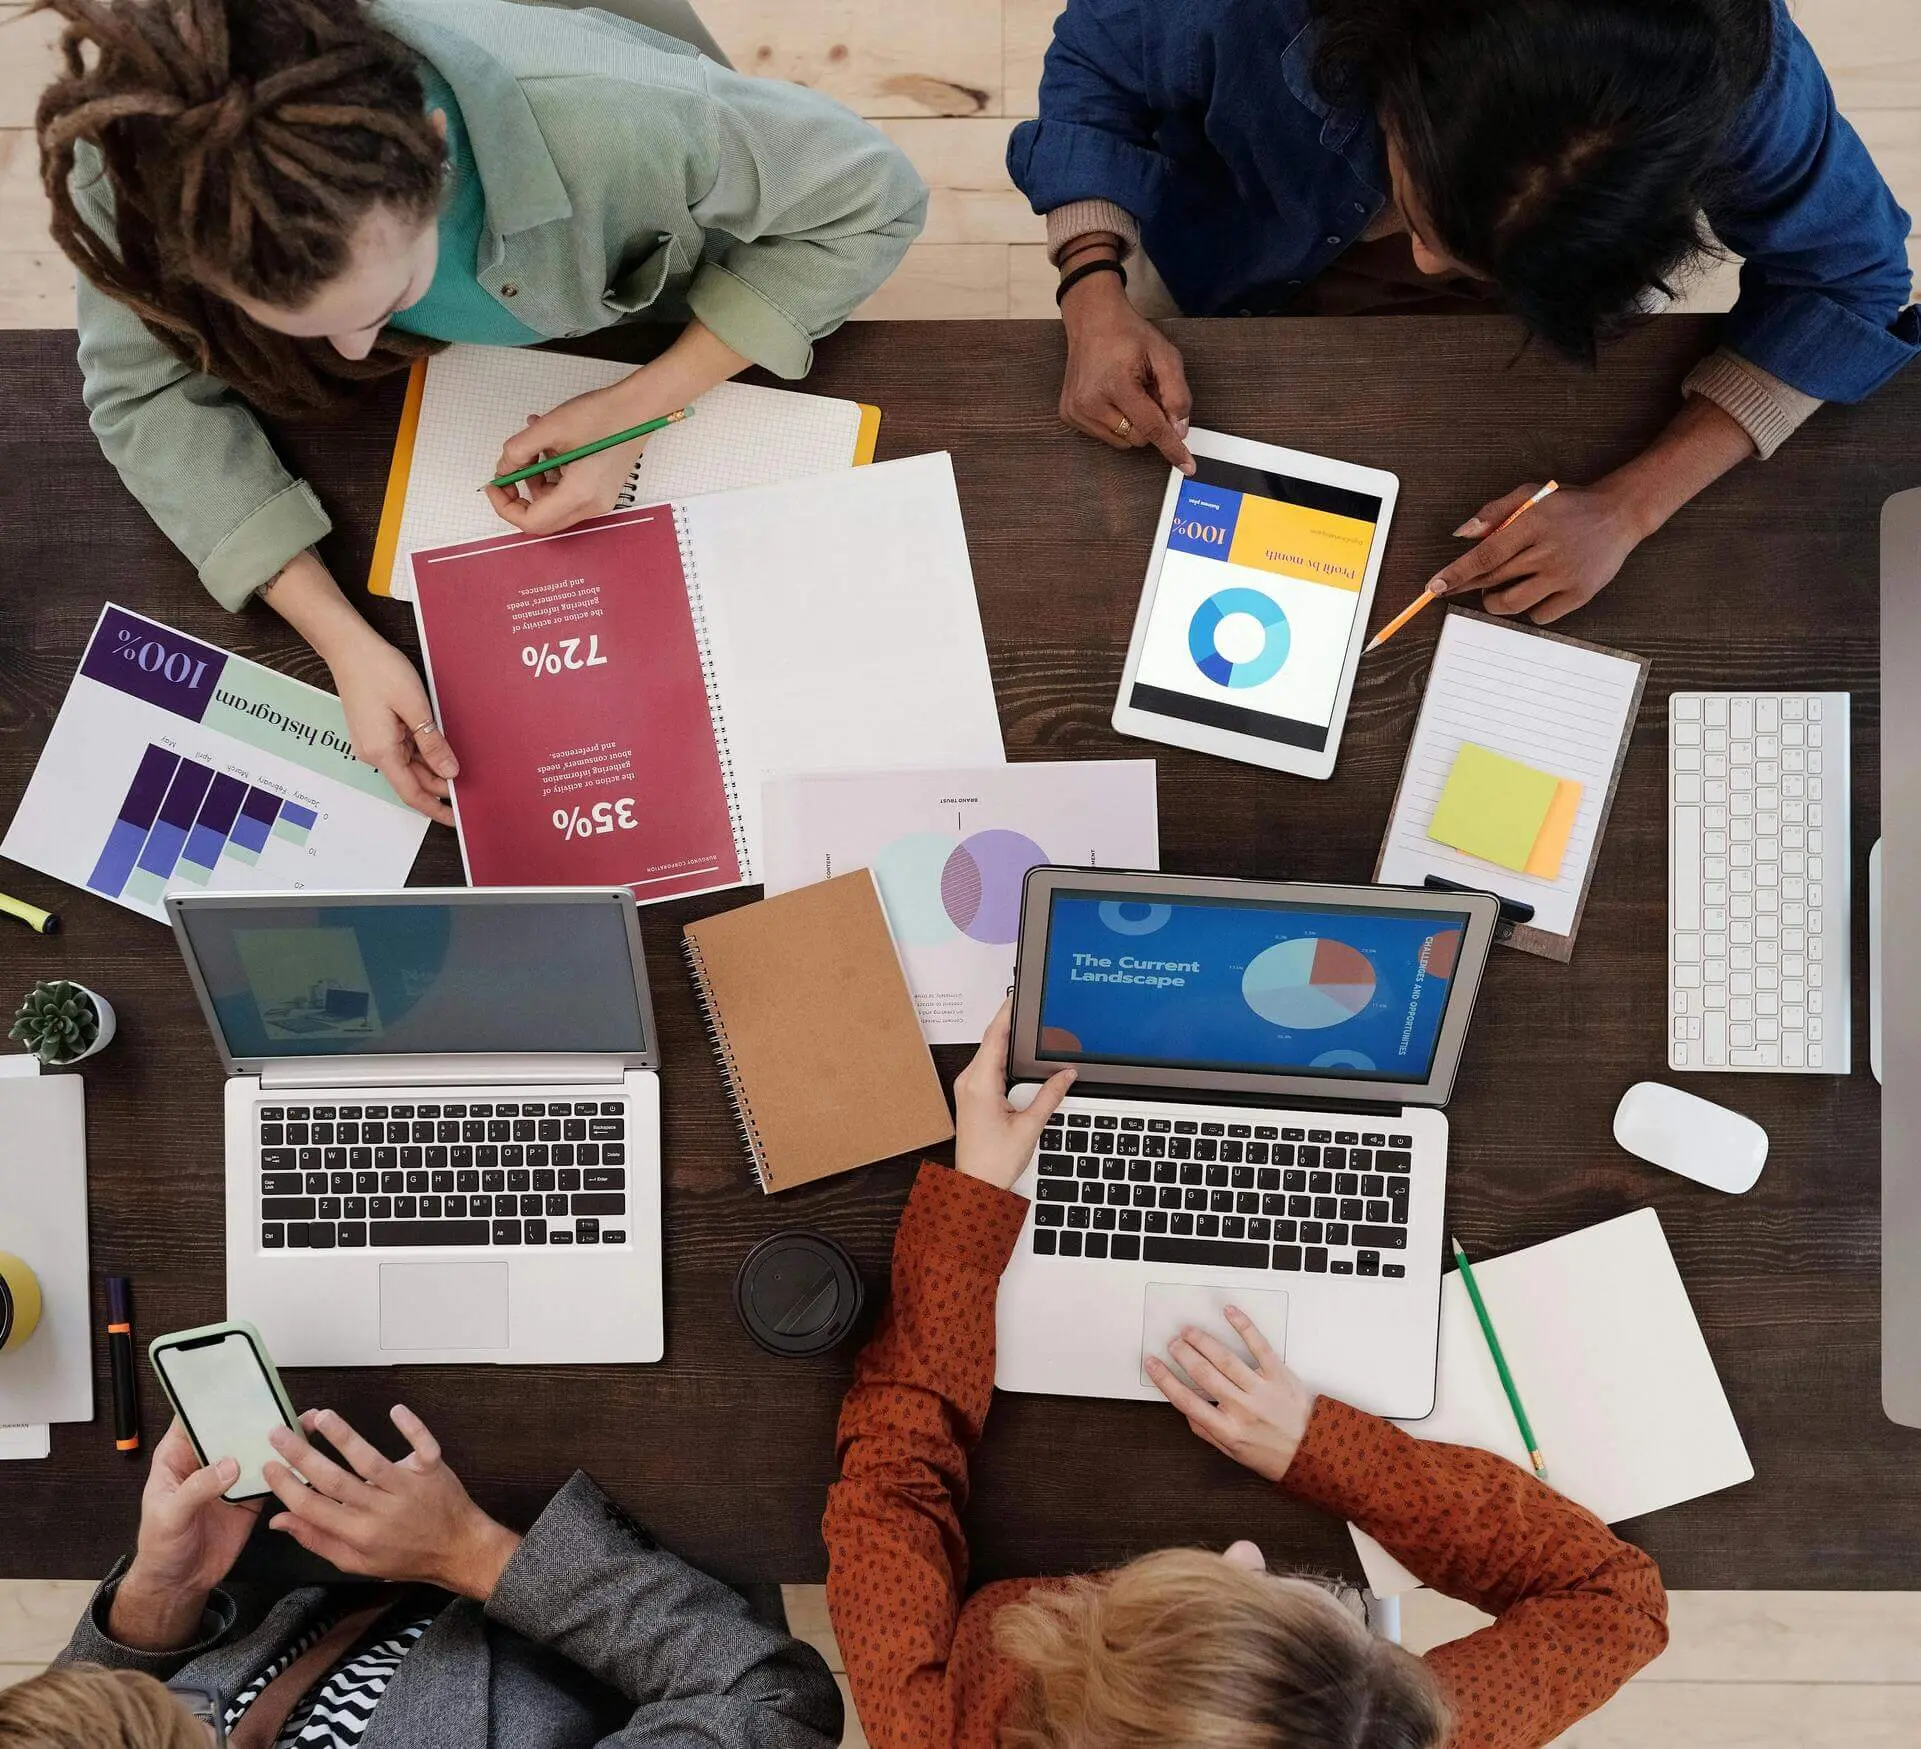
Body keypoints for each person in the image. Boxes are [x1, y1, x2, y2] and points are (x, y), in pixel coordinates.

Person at [35, 0, 926, 819]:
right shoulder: (139, 170)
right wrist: (339, 637)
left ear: (433, 147)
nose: (356, 354)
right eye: (301, 327)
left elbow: (875, 199)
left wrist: (640, 404)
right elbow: (141, 390)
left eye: (389, 302)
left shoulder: (630, 119)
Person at [823, 1004, 1670, 1749]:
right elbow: (1615, 1600)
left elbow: (890, 1483)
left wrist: (973, 1197)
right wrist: (1324, 1448)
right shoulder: (1377, 1734)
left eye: (1207, 1609)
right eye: (1337, 1621)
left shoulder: (933, 1726)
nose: (1245, 1549)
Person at [1006, 0, 1918, 625]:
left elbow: (1851, 281)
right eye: (1424, 210)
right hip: (1228, 249)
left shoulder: (1732, 81)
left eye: (1473, 254)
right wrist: (1090, 287)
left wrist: (1630, 506)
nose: (1423, 265)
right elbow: (1097, 63)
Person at [3, 1402, 841, 1749]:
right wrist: (470, 1553)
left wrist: (163, 1588)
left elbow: (86, 1710)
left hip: (331, 1540)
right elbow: (773, 1698)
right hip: (617, 1542)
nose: (202, 1704)